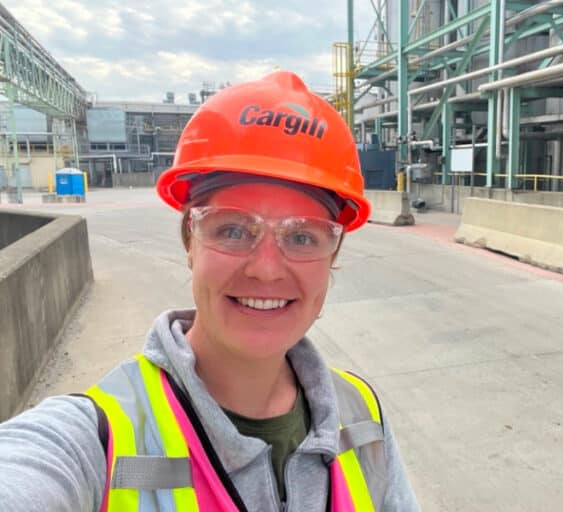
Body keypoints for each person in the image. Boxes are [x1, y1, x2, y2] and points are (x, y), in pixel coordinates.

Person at [0, 71, 419, 511]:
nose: (265, 270)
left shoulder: (362, 416)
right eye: (233, 230)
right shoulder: (96, 440)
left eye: (302, 236)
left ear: (331, 256)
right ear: (190, 242)